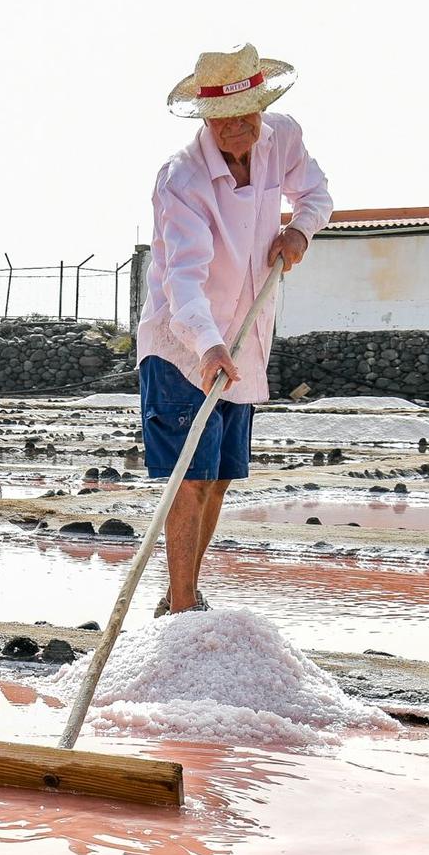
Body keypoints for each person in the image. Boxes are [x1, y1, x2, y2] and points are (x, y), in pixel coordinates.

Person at [135, 43, 332, 615]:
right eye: (228, 119)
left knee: (219, 477)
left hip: (245, 337)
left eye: (251, 113)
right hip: (183, 342)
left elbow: (316, 195)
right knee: (187, 478)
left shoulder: (283, 138)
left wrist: (299, 231)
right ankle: (179, 606)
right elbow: (183, 283)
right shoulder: (182, 180)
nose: (242, 128)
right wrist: (209, 344)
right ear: (207, 117)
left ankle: (186, 590)